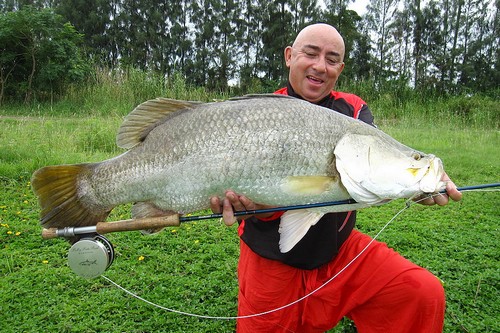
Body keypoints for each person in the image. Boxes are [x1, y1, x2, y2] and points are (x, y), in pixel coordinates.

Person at [210, 23, 462, 333]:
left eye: (332, 59)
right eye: (311, 54)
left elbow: (375, 165)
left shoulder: (353, 112)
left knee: (420, 292)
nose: (320, 66)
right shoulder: (261, 111)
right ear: (289, 56)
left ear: (340, 68)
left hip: (339, 250)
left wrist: (417, 183)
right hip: (268, 259)